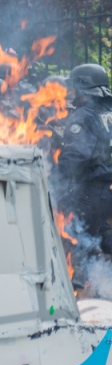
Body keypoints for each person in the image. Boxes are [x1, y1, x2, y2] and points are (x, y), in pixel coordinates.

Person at [55, 64, 112, 274]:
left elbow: (76, 156)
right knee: (100, 232)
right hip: (107, 190)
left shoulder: (85, 115)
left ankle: (80, 288)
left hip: (94, 191)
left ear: (82, 86)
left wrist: (55, 178)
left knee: (70, 234)